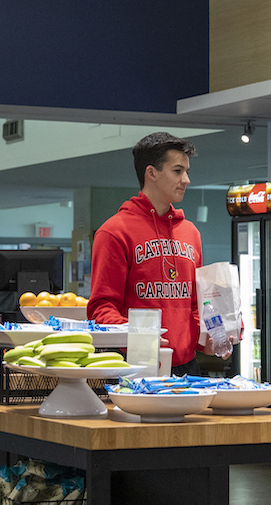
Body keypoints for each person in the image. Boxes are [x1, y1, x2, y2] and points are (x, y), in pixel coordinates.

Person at [88, 131, 213, 375]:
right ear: (151, 173)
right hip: (134, 365)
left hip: (188, 367)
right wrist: (138, 337)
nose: (186, 179)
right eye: (177, 171)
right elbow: (101, 308)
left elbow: (195, 305)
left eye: (187, 171)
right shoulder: (114, 232)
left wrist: (211, 335)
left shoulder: (190, 233)